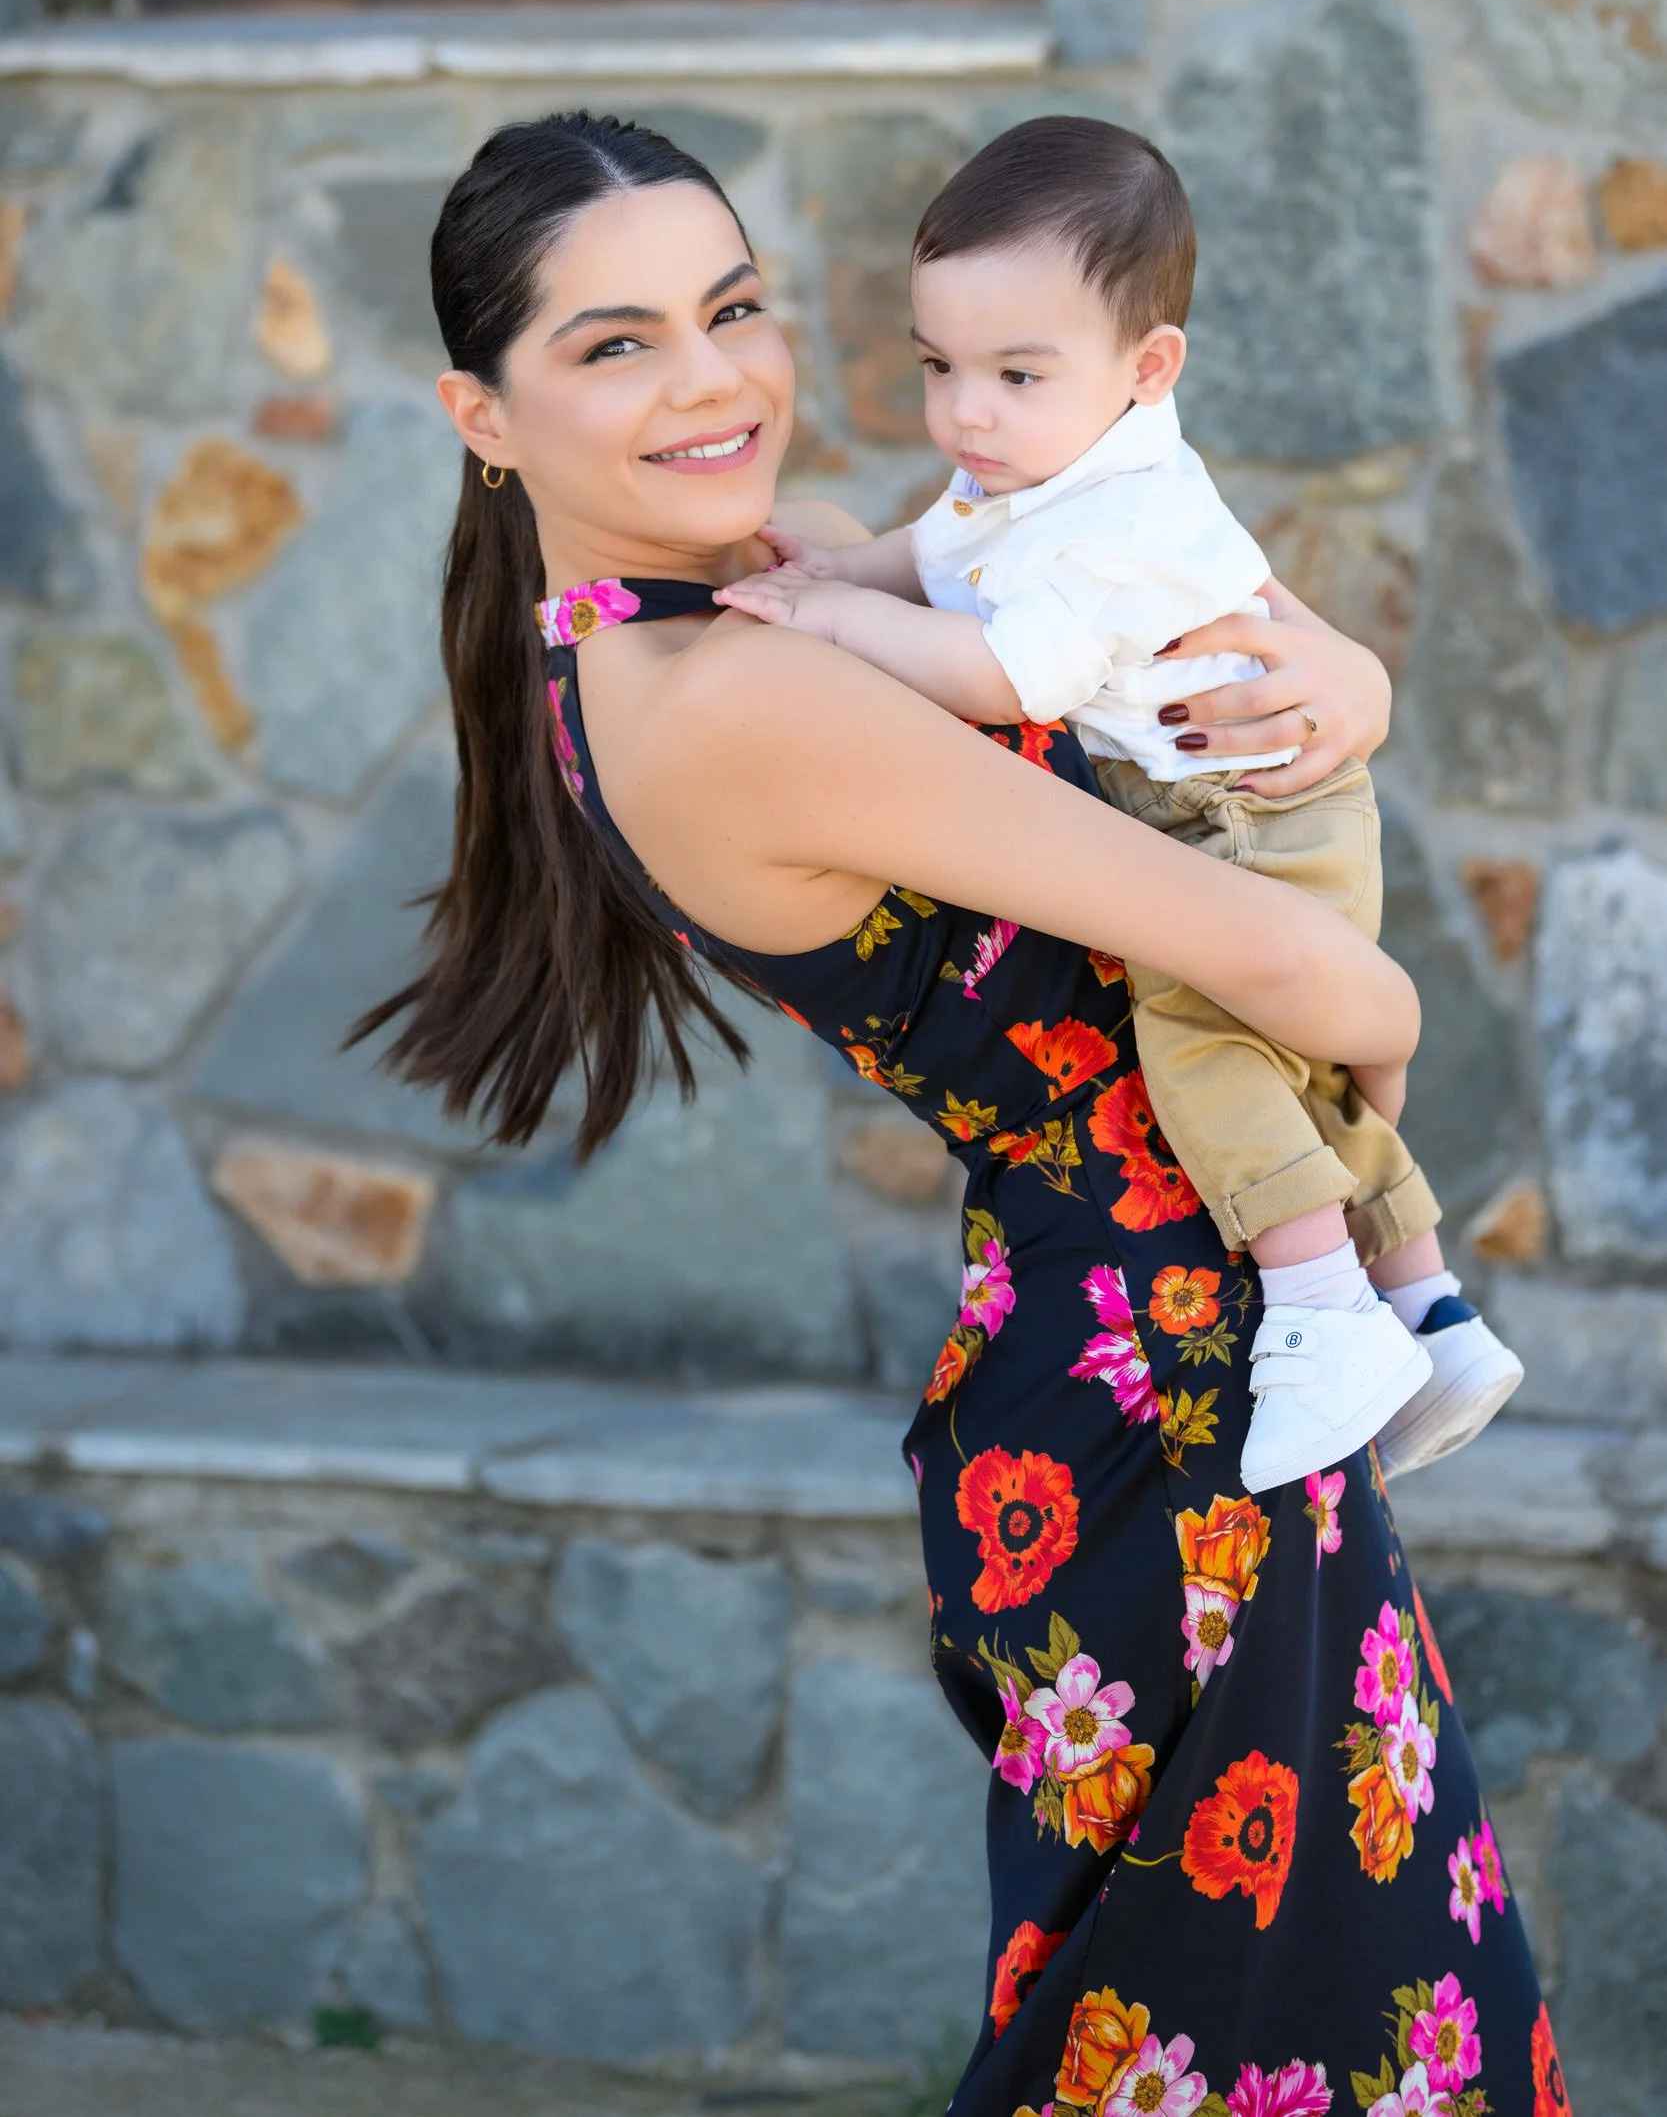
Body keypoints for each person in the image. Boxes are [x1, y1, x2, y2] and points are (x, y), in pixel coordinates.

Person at [358, 112, 1555, 2114]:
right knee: (1270, 2037)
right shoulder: (746, 694)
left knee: (1279, 2014)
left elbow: (1142, 621)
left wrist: (1327, 678)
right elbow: (1285, 966)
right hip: (1159, 1411)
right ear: (481, 414)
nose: (715, 375)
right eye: (614, 344)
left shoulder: (730, 610)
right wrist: (1382, 996)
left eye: (730, 306)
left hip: (1150, 1370)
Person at [714, 116, 1523, 1499]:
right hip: (1199, 799)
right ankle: (1428, 1313)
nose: (966, 412)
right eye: (938, 367)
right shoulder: (1035, 465)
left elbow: (989, 669)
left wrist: (841, 620)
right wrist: (851, 561)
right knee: (1291, 1072)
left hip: (1252, 811)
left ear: (1145, 370)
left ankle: (1324, 1311)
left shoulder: (1120, 523)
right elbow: (941, 549)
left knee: (1205, 1043)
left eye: (1013, 373)